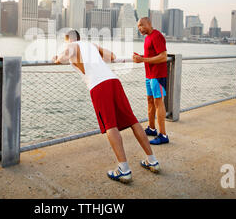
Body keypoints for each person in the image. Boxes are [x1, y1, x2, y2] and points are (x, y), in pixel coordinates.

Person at [52, 30, 160, 183]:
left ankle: (124, 170)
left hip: (98, 86)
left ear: (68, 39)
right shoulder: (90, 45)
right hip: (113, 81)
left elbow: (61, 60)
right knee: (133, 121)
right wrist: (96, 48)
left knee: (110, 125)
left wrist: (56, 58)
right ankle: (152, 160)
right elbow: (113, 57)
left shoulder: (71, 45)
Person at [133, 17, 170, 145]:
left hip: (158, 76)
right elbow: (151, 56)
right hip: (149, 75)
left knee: (158, 103)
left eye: (141, 25)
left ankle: (163, 135)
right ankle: (152, 128)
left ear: (149, 24)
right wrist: (141, 57)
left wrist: (143, 60)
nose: (140, 29)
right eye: (138, 27)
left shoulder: (157, 36)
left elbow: (163, 57)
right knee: (150, 101)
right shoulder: (147, 38)